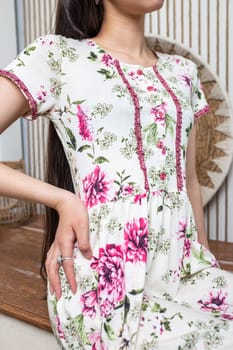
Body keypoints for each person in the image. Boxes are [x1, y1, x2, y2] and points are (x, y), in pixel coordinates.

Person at [0, 0, 233, 348]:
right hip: (106, 280)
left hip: (187, 270)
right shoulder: (57, 56)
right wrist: (62, 199)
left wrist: (206, 262)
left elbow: (190, 182)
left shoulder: (183, 73)